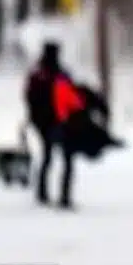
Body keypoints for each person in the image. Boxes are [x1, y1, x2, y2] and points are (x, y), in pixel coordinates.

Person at [24, 41, 87, 209]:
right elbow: (72, 97)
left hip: (42, 123)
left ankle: (42, 193)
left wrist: (33, 117)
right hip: (61, 121)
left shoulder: (36, 74)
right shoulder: (61, 74)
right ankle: (64, 196)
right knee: (67, 158)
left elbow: (29, 98)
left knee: (47, 156)